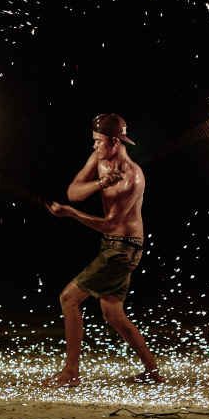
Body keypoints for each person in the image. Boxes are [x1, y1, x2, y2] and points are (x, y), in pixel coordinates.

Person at [43, 113, 162, 386]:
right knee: (113, 315)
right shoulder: (99, 160)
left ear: (114, 140)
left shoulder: (133, 177)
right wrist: (101, 183)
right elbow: (73, 191)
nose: (94, 146)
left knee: (68, 298)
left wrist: (72, 214)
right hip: (113, 244)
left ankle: (71, 373)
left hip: (124, 248)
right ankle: (153, 372)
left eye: (98, 141)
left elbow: (111, 225)